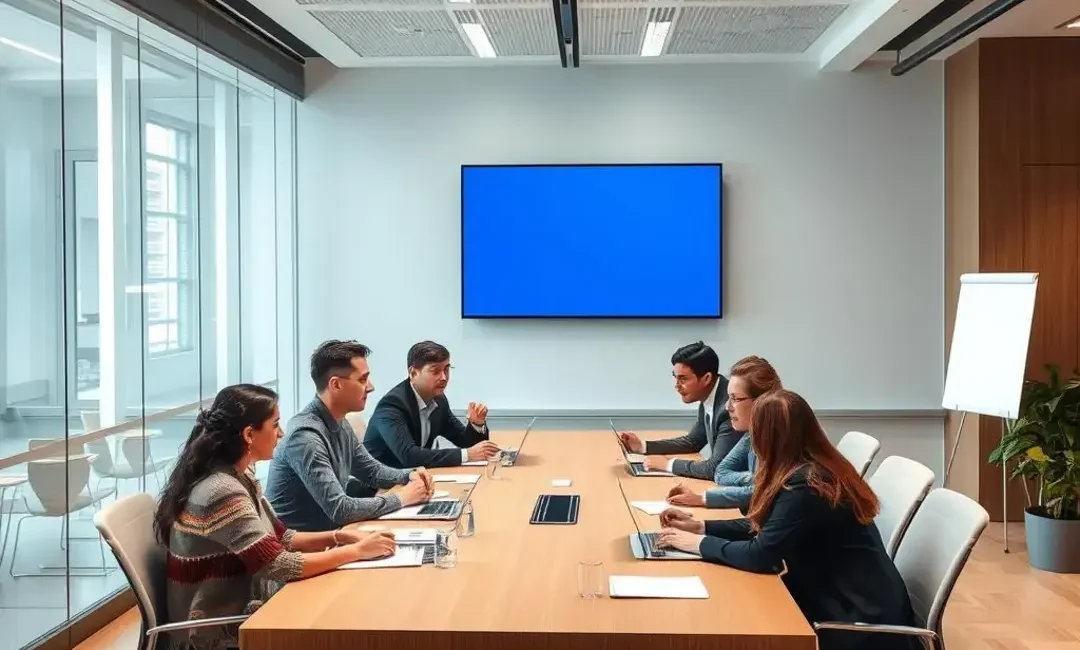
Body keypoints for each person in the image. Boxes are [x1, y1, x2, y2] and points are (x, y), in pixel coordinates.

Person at [655, 389, 920, 650]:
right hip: (844, 597)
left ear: (769, 438)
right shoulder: (810, 467)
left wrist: (697, 544)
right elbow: (773, 526)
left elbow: (760, 555)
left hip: (857, 620)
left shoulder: (808, 485)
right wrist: (701, 526)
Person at [156, 384, 398, 650]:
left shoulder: (239, 475)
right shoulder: (221, 491)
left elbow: (282, 536)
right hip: (214, 633)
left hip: (247, 609)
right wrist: (357, 552)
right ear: (249, 434)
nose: (281, 433)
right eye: (275, 425)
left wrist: (339, 536)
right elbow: (279, 565)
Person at [265, 340, 434, 532]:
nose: (370, 387)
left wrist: (409, 474)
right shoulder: (305, 437)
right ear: (335, 385)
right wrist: (402, 498)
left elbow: (372, 472)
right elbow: (340, 509)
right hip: (307, 549)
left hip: (334, 536)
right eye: (362, 379)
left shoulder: (340, 421)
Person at [665, 355, 781, 509]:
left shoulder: (783, 440)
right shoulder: (752, 434)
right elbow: (721, 472)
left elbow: (761, 493)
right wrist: (752, 478)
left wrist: (703, 498)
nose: (727, 406)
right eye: (728, 398)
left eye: (735, 399)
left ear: (762, 401)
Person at [364, 340, 499, 469]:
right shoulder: (392, 406)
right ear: (413, 373)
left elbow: (466, 443)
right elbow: (409, 456)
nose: (444, 377)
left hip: (411, 480)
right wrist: (467, 454)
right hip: (376, 488)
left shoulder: (439, 400)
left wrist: (476, 424)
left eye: (446, 369)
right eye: (435, 371)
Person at [617, 341, 738, 479]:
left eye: (683, 379)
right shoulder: (711, 394)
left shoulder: (729, 406)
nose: (677, 386)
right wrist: (643, 447)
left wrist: (668, 464)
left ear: (706, 378)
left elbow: (716, 468)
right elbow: (693, 442)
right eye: (675, 378)